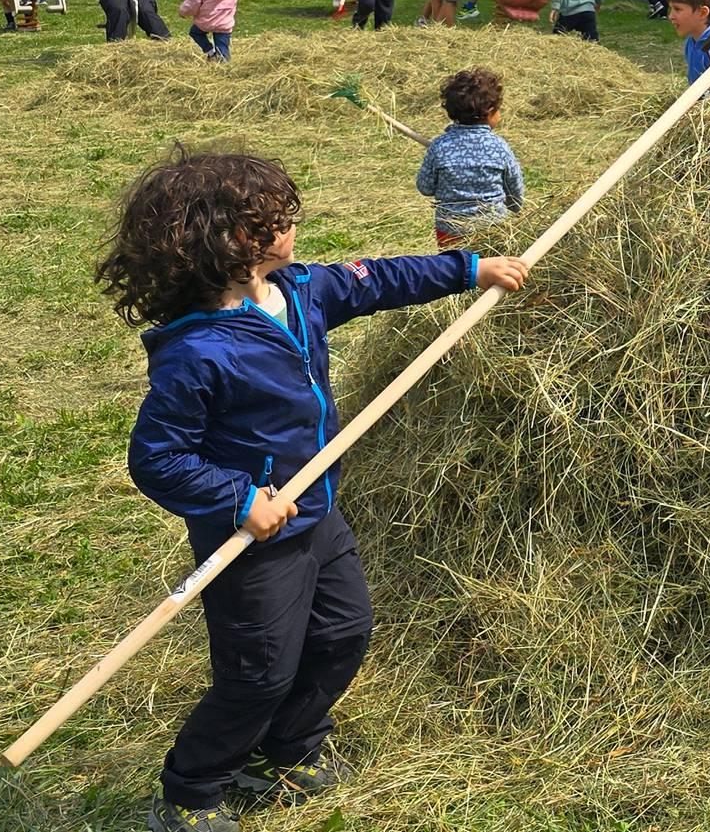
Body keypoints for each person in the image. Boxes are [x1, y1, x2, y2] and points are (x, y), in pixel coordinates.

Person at [104, 149, 530, 832]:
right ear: (238, 241)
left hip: (320, 513)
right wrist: (242, 498)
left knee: (343, 631)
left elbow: (379, 279)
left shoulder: (300, 292)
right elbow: (158, 458)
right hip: (253, 542)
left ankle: (285, 746)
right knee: (259, 670)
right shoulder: (198, 352)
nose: (292, 226)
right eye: (276, 219)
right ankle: (190, 789)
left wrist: (468, 268)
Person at [416, 69, 527, 247]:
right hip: (492, 229)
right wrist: (515, 209)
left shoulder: (440, 146)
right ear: (490, 111)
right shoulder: (499, 147)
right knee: (492, 272)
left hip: (450, 230)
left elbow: (425, 187)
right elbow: (514, 188)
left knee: (455, 271)